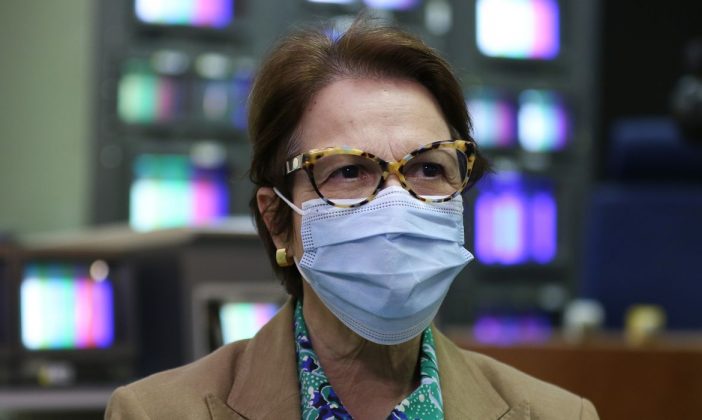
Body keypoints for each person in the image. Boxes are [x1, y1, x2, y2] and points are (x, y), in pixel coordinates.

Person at [106, 16, 599, 420]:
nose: (397, 205)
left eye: (429, 169)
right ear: (278, 220)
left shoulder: (558, 415)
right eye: (348, 172)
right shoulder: (155, 414)